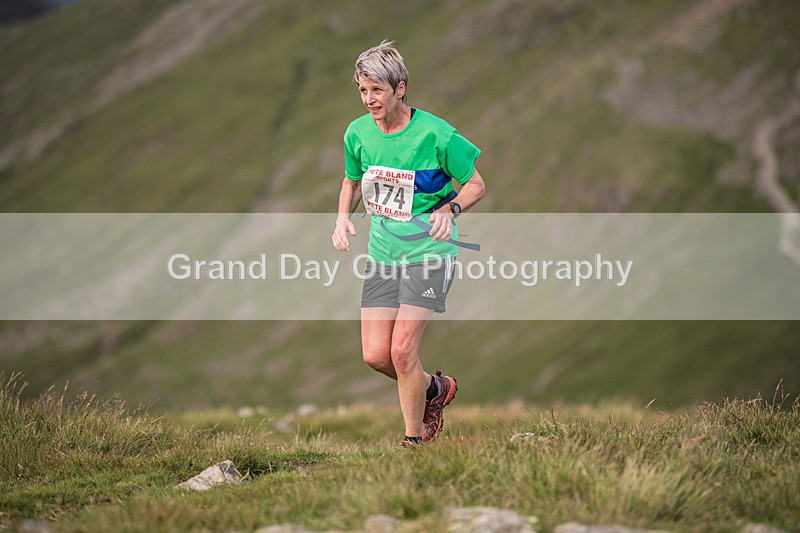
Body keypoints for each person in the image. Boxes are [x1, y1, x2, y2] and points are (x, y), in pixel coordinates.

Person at [331, 41, 486, 446]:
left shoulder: (436, 133)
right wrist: (343, 217)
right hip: (383, 256)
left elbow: (475, 184)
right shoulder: (357, 132)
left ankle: (413, 442)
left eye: (377, 90)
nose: (369, 100)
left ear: (400, 88)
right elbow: (352, 180)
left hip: (429, 255)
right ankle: (435, 390)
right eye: (363, 91)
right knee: (376, 356)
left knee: (402, 352)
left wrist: (449, 210)